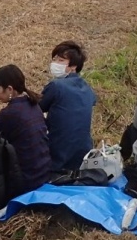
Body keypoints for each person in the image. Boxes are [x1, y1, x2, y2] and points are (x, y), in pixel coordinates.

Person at [0, 65, 53, 195]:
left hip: (26, 181)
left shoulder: (8, 113)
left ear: (9, 89)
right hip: (44, 173)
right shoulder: (34, 105)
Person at [38, 40, 97, 174]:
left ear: (73, 66)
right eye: (54, 59)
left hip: (58, 155)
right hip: (84, 155)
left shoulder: (56, 86)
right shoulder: (88, 89)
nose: (55, 63)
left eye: (61, 60)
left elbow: (37, 108)